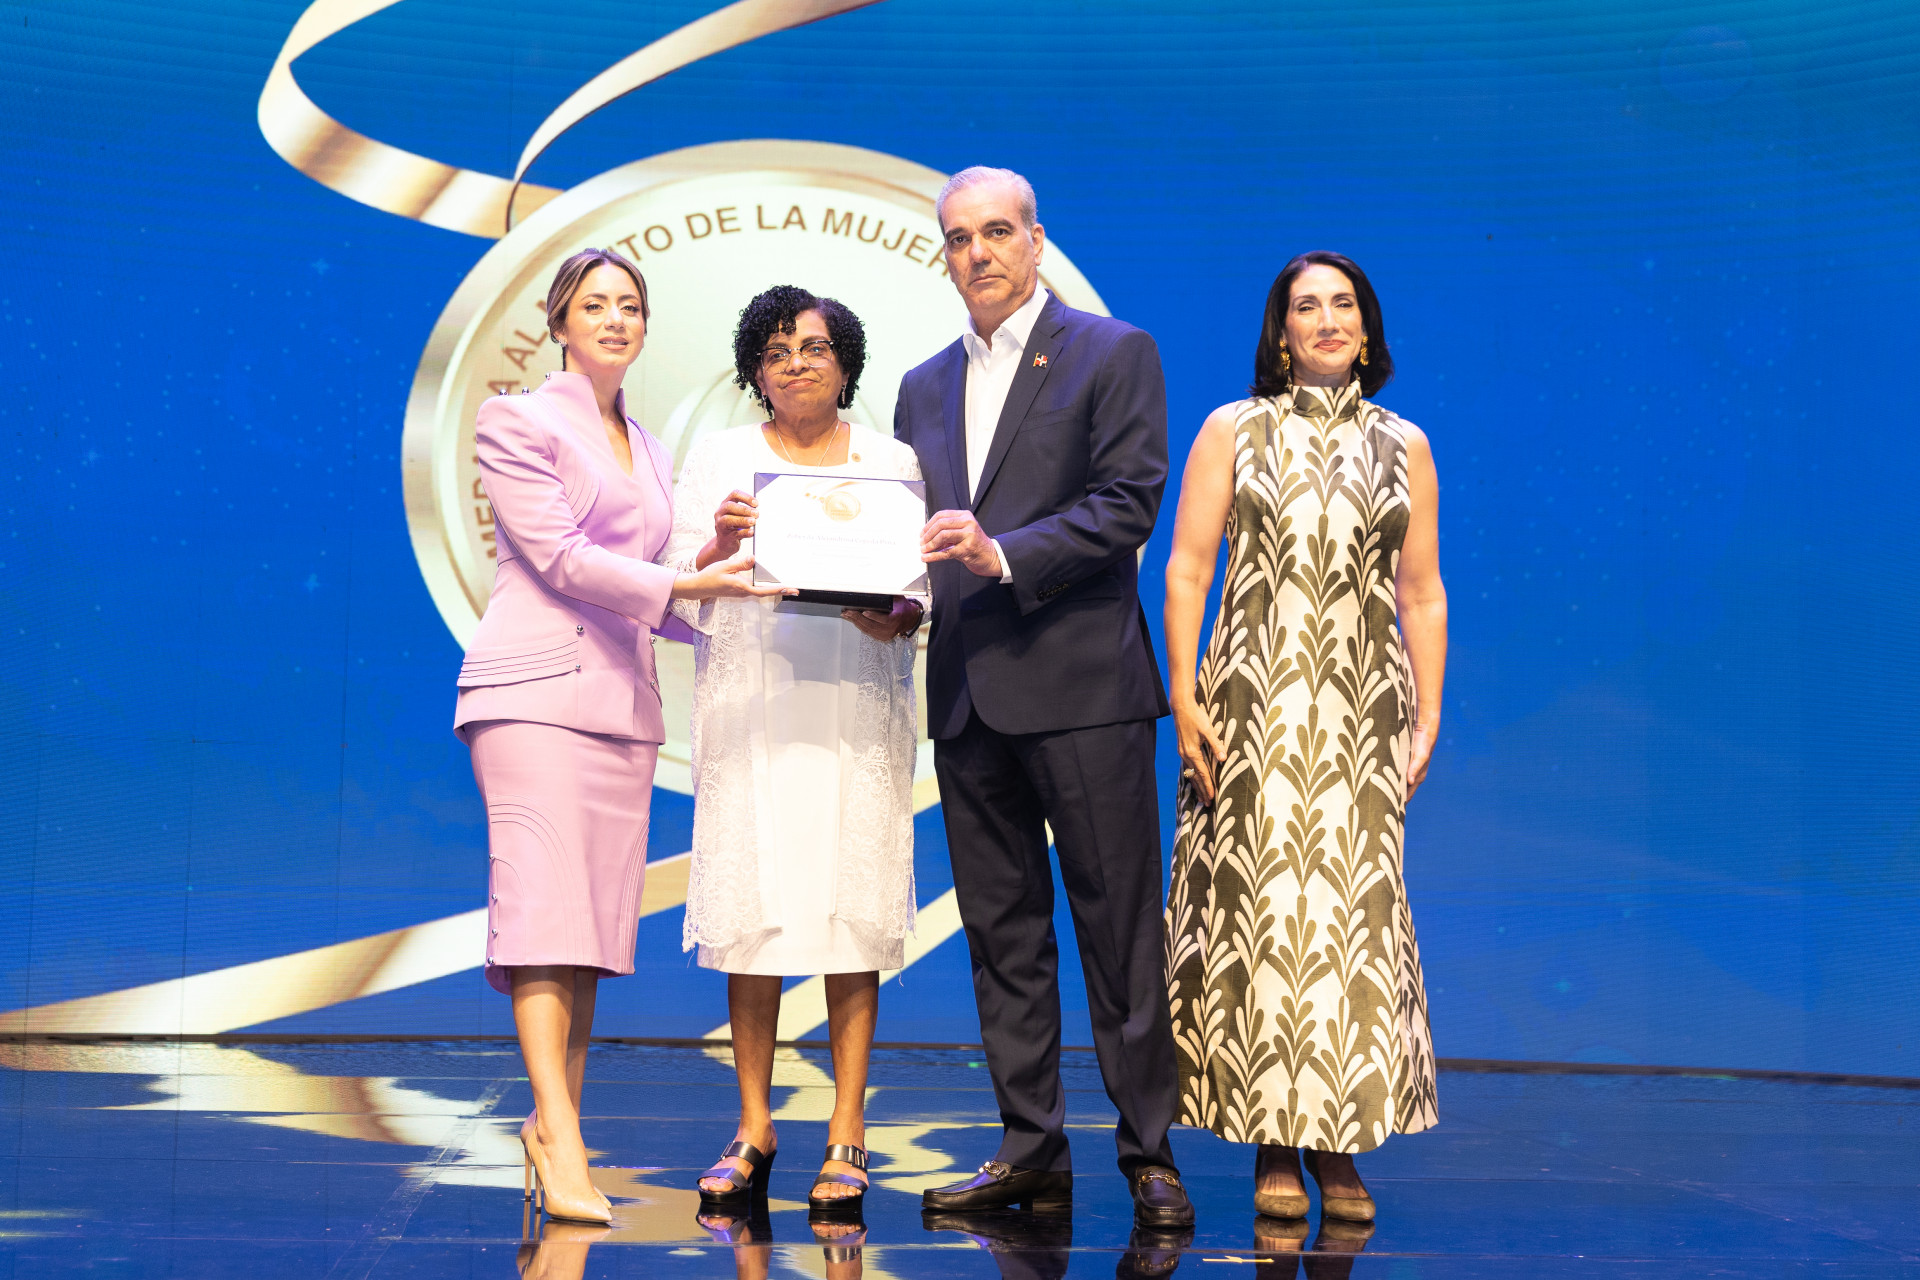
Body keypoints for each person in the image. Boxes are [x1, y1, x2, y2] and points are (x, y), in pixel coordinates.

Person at [455, 247, 781, 1226]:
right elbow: (560, 558)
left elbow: (656, 583)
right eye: (593, 304)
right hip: (533, 697)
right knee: (541, 920)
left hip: (620, 707)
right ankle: (559, 1137)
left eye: (629, 305)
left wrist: (721, 560)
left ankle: (554, 1124)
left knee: (588, 936)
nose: (613, 318)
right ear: (559, 323)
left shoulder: (645, 441)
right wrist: (687, 580)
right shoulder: (516, 419)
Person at [895, 166, 1192, 1228]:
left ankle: (1149, 1152)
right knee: (1003, 936)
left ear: (1035, 240)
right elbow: (919, 538)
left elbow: (1129, 501)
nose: (977, 252)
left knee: (1120, 931)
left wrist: (1004, 552)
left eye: (996, 232)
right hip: (968, 696)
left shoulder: (1113, 351)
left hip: (1083, 688)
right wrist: (896, 602)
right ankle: (1030, 1148)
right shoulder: (921, 386)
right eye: (958, 237)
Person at [1161, 251, 1446, 1223]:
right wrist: (1183, 694)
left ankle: (1339, 1144)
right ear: (1280, 332)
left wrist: (1428, 712)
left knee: (1350, 926)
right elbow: (1188, 568)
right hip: (1251, 703)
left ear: (1368, 327)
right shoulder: (1233, 429)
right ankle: (1274, 1144)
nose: (1327, 319)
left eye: (1344, 304)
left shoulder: (1404, 444)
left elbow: (1422, 592)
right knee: (1267, 920)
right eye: (1306, 305)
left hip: (1361, 713)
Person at [665, 285, 923, 1221]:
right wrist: (718, 543)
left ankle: (848, 1128)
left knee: (852, 916)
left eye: (814, 347)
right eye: (775, 352)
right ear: (755, 373)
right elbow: (679, 584)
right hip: (754, 711)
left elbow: (917, 589)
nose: (796, 363)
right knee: (755, 918)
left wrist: (902, 614)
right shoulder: (721, 457)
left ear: (845, 363)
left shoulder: (891, 461)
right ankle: (754, 1125)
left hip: (855, 708)